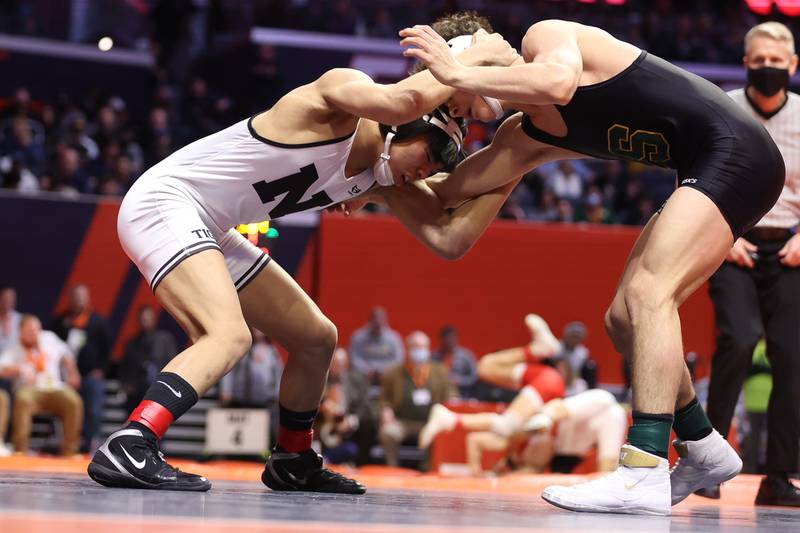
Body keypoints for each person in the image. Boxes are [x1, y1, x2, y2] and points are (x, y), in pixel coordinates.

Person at [87, 13, 519, 494]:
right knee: (228, 336)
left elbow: (449, 236)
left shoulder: (380, 175)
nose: (428, 172)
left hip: (209, 223)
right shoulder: (342, 92)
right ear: (412, 127)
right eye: (434, 155)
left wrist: (521, 156)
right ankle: (132, 442)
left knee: (316, 339)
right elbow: (404, 101)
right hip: (166, 202)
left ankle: (293, 459)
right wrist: (476, 56)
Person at [396, 16, 785, 515]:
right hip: (707, 164)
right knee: (624, 319)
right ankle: (702, 446)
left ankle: (641, 468)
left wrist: (457, 72)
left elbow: (557, 82)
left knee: (649, 292)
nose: (454, 109)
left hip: (737, 151)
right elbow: (448, 192)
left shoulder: (545, 37)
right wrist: (375, 179)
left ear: (474, 52)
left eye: (449, 94)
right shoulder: (525, 135)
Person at [699, 21, 800, 507]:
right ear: (745, 63)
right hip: (729, 243)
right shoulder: (723, 107)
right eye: (758, 62)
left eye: (776, 64)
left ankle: (777, 478)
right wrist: (723, 234)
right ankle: (708, 467)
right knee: (737, 341)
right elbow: (694, 172)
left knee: (792, 355)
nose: (767, 70)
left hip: (792, 250)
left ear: (793, 66)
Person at [467, 389, 627, 476]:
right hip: (570, 448)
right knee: (606, 472)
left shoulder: (514, 442)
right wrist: (491, 476)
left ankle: (546, 416)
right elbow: (532, 471)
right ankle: (546, 417)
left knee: (605, 402)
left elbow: (475, 440)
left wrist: (478, 470)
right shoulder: (530, 468)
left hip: (562, 422)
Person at [0, 315, 83, 456]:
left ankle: (70, 450)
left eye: (36, 329)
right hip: (30, 389)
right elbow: (2, 368)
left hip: (55, 387)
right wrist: (18, 369)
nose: (34, 333)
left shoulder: (49, 337)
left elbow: (67, 355)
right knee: (23, 399)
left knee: (74, 401)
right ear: (21, 331)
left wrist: (73, 373)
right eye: (30, 330)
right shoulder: (14, 346)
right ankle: (20, 449)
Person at [379, 331, 453, 468]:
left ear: (428, 349)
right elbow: (384, 399)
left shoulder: (440, 371)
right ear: (407, 349)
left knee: (442, 432)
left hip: (430, 422)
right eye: (415, 347)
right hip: (403, 421)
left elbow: (451, 396)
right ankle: (393, 467)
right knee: (388, 432)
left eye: (422, 347)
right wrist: (386, 410)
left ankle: (428, 467)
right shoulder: (392, 373)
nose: (419, 351)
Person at [51, 284, 111, 452]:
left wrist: (101, 369)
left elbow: (107, 348)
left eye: (82, 296)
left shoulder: (98, 321)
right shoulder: (60, 321)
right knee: (65, 406)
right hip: (65, 376)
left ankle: (91, 441)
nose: (79, 300)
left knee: (92, 407)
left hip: (90, 374)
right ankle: (69, 442)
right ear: (70, 299)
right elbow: (52, 347)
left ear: (88, 298)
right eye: (75, 296)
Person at [119, 305, 178, 414]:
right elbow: (125, 367)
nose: (144, 322)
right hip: (136, 393)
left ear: (153, 319)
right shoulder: (132, 343)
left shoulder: (164, 340)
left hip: (158, 390)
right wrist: (126, 384)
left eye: (147, 319)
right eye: (142, 319)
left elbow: (173, 364)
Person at [348, 307, 404, 386]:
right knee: (354, 376)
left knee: (398, 376)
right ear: (370, 322)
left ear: (385, 321)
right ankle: (358, 398)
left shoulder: (394, 338)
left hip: (387, 372)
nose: (378, 326)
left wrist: (385, 370)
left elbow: (398, 359)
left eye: (381, 323)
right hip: (365, 374)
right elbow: (354, 358)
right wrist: (366, 370)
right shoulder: (358, 337)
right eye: (376, 323)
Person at [432, 325, 479, 398]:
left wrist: (460, 380)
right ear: (442, 339)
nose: (449, 341)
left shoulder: (466, 356)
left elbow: (474, 377)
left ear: (456, 339)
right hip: (439, 395)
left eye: (452, 338)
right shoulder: (434, 357)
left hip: (463, 395)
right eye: (447, 338)